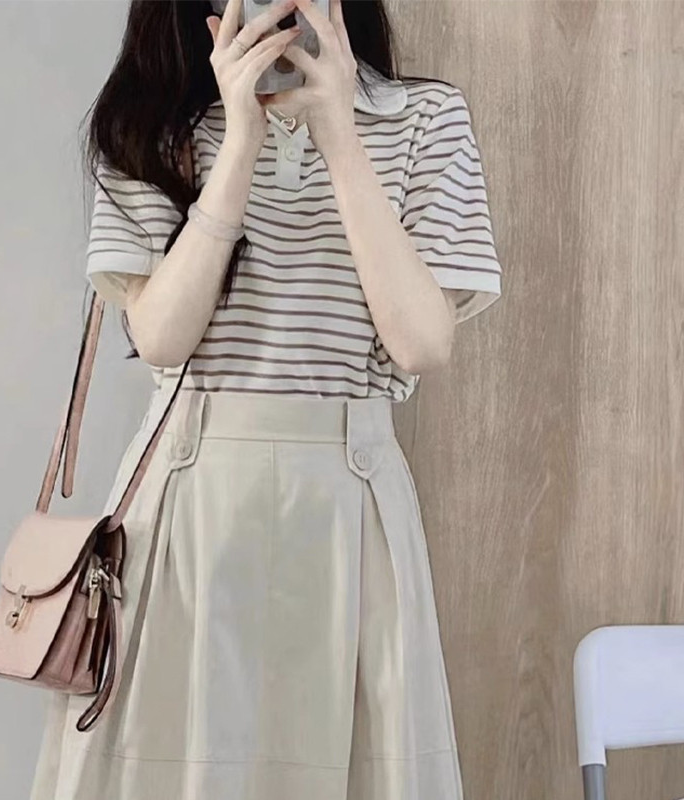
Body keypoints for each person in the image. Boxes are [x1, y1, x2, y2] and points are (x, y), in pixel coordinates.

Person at [29, 0, 503, 798]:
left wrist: (340, 131)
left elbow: (423, 343)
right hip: (191, 497)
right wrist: (242, 138)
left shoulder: (425, 118)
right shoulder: (149, 126)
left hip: (351, 499)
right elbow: (163, 338)